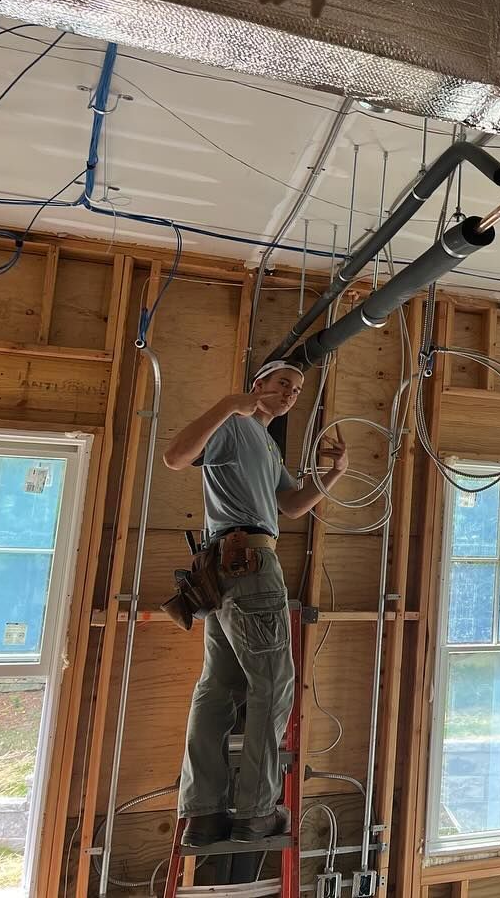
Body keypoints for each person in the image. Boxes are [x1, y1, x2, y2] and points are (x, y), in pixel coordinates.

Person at [161, 359, 348, 844]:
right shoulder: (235, 425)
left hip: (227, 568)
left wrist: (333, 474)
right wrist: (228, 404)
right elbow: (176, 457)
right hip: (251, 566)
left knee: (219, 686)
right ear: (259, 384)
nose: (290, 393)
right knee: (274, 684)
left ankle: (203, 813)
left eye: (297, 388)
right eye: (283, 383)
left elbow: (288, 505)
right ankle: (257, 811)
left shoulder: (265, 444)